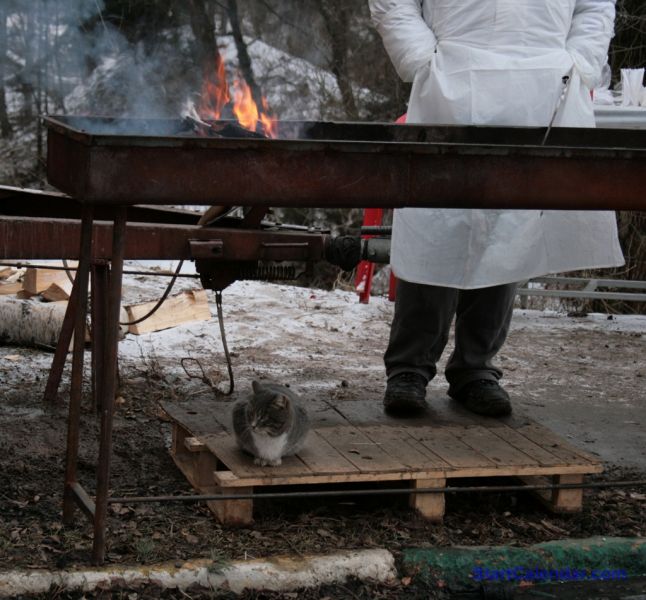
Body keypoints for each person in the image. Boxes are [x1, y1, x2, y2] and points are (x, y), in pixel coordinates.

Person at [369, 0, 625, 416]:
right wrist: (419, 58)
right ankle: (409, 369)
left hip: (542, 91)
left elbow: (594, 6)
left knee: (511, 226)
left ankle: (475, 368)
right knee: (438, 221)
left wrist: (582, 62)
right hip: (450, 80)